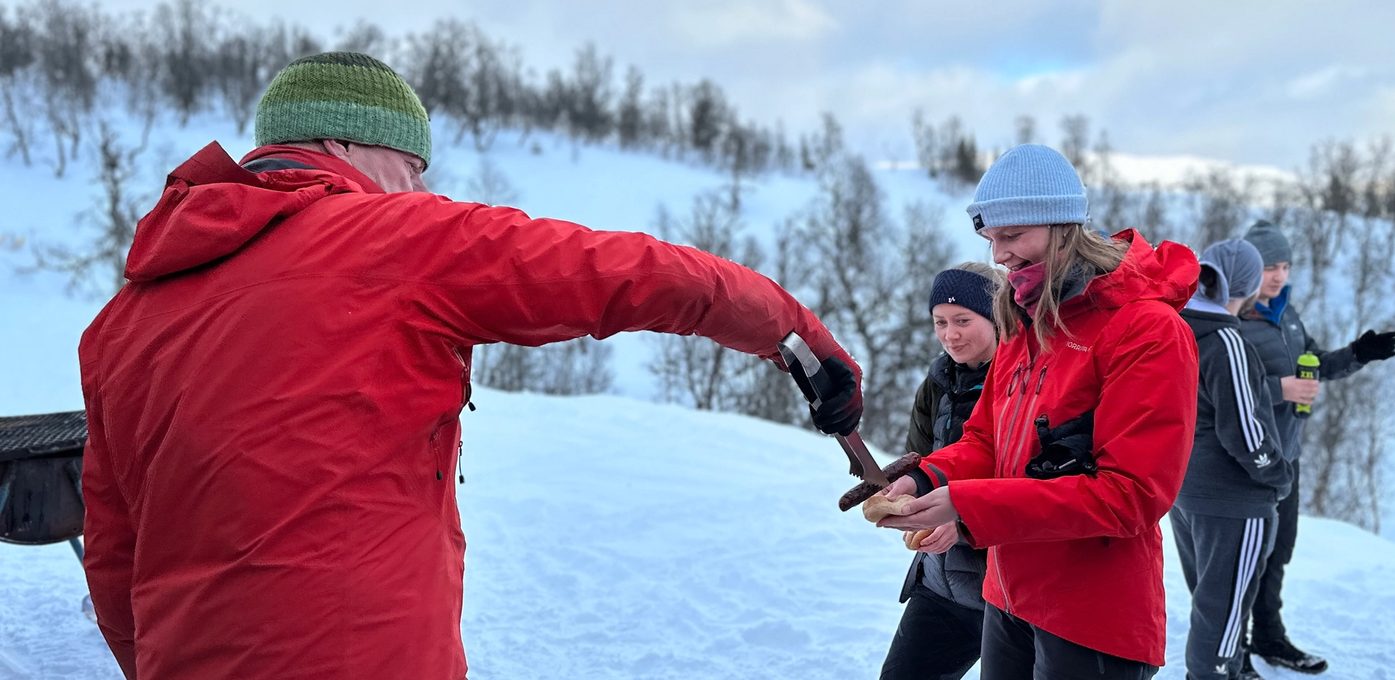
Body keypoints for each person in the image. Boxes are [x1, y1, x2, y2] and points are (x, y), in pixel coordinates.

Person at [78, 52, 863, 680]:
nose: (422, 183)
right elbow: (635, 273)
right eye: (411, 162)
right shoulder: (395, 237)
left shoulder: (123, 321)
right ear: (345, 143)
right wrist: (794, 334)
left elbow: (112, 553)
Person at [875, 143, 1200, 679]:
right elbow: (985, 442)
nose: (998, 254)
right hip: (1008, 594)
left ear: (1063, 225)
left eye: (1012, 236)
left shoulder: (1147, 329)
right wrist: (926, 477)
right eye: (990, 239)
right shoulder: (1028, 322)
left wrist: (966, 506)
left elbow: (1132, 495)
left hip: (1092, 615)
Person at [1236, 221, 1395, 675]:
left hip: (1288, 455)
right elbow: (1215, 390)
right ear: (1248, 268)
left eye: (1284, 266)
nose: (1278, 276)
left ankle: (1269, 635)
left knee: (1278, 551)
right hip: (1248, 459)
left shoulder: (1287, 316)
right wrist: (1278, 389)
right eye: (1269, 267)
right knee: (1245, 559)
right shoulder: (1233, 320)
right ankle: (1235, 646)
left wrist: (1360, 353)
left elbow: (1315, 366)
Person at [1172, 239, 1290, 680]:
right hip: (1233, 498)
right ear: (1248, 283)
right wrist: (1278, 476)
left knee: (1210, 603)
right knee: (1221, 612)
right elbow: (1244, 430)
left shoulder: (1179, 326)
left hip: (1187, 489)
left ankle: (1226, 670)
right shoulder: (1226, 339)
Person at [881, 262, 1004, 680]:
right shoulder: (936, 383)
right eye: (940, 322)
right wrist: (903, 497)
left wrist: (964, 521)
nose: (950, 334)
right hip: (940, 582)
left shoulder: (1024, 381)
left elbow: (1031, 478)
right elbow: (920, 461)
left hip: (1006, 586)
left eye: (963, 321)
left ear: (997, 316)